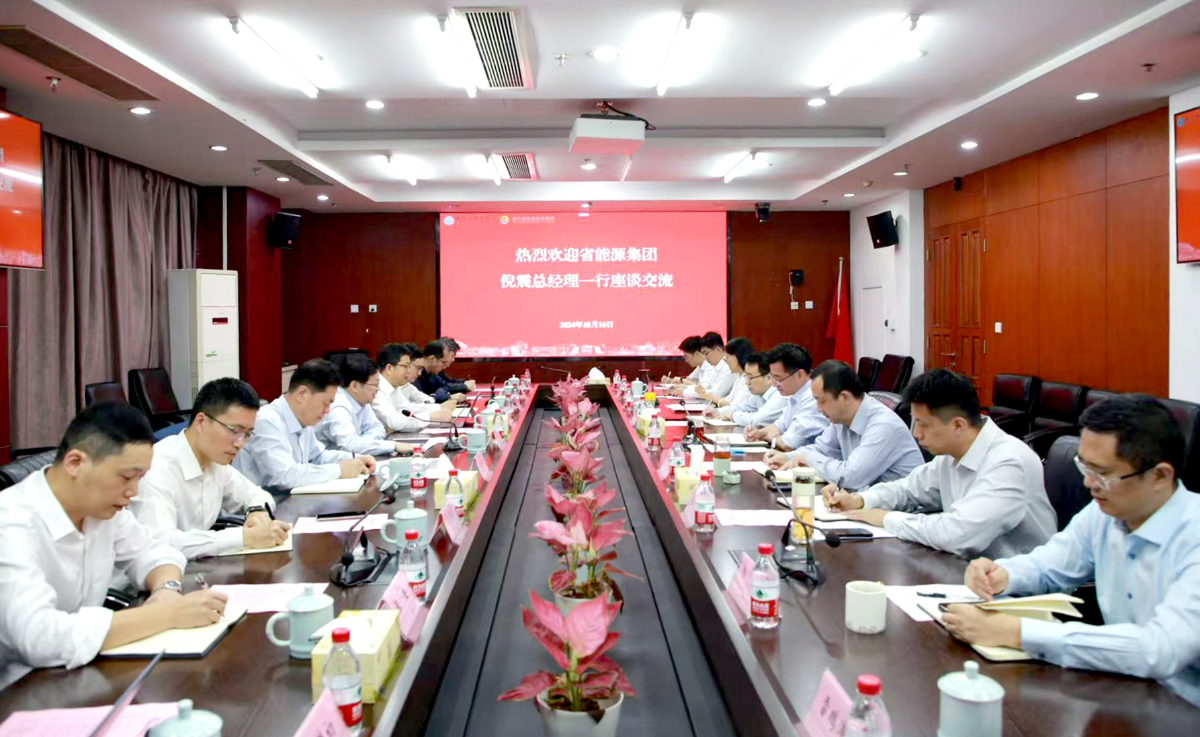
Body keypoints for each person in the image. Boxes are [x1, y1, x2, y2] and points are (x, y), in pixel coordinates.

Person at [943, 395, 1200, 706]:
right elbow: (1048, 566)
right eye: (1084, 465)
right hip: (1125, 689)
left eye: (1102, 473)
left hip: (1184, 706)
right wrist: (1002, 574)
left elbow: (1160, 649)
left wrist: (1017, 632)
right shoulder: (1104, 514)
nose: (1089, 483)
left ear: (1160, 476)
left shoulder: (1193, 535)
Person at [0, 403, 229, 689]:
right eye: (125, 477)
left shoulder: (102, 509)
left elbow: (156, 551)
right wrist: (165, 615)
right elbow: (39, 637)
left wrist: (167, 590)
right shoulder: (11, 525)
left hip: (81, 676)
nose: (133, 492)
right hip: (19, 691)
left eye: (140, 479)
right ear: (75, 463)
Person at [824, 369, 1055, 558]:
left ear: (958, 425)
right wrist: (860, 500)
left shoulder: (1008, 463)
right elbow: (908, 489)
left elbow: (957, 533)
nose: (916, 434)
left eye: (923, 424)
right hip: (968, 572)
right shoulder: (951, 453)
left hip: (1018, 591)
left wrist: (885, 518)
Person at [132, 378, 291, 559]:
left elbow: (256, 495)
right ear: (201, 422)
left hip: (197, 567)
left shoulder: (215, 461)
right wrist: (244, 538)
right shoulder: (156, 469)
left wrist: (256, 512)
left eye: (247, 434)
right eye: (234, 430)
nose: (240, 443)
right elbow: (161, 543)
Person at [768, 360, 924, 488]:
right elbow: (822, 449)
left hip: (901, 510)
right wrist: (787, 457)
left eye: (821, 401)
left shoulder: (883, 425)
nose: (818, 408)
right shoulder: (840, 418)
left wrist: (808, 458)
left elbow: (849, 477)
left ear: (844, 397)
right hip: (865, 501)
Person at [233, 359, 375, 490]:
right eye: (325, 403)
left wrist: (354, 459)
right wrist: (339, 470)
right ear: (302, 394)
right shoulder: (267, 421)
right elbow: (284, 476)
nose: (327, 411)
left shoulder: (303, 421)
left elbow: (318, 457)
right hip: (261, 506)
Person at [316, 353, 413, 457]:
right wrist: (393, 446)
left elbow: (378, 428)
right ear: (354, 386)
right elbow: (349, 445)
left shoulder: (361, 400)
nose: (378, 389)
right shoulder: (337, 406)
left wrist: (362, 443)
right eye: (375, 384)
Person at [743, 343, 828, 451]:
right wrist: (759, 433)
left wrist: (772, 437)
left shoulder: (813, 398)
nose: (774, 384)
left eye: (778, 379)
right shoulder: (795, 394)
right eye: (772, 377)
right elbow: (778, 426)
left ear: (800, 374)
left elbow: (789, 444)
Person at [372, 343, 456, 433]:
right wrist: (430, 417)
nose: (408, 371)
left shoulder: (395, 387)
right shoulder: (375, 388)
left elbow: (407, 408)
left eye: (409, 367)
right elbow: (394, 421)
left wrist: (437, 409)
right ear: (389, 368)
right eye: (405, 366)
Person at [710, 352, 788, 428]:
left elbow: (756, 420)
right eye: (746, 377)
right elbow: (739, 407)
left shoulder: (780, 395)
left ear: (769, 378)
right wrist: (717, 412)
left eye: (750, 377)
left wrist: (732, 415)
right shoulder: (758, 394)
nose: (747, 382)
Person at [674, 332, 735, 399]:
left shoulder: (729, 366)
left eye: (706, 353)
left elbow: (717, 393)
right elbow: (707, 385)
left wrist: (685, 391)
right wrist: (686, 388)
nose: (705, 357)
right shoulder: (715, 366)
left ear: (718, 350)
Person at [697, 337, 753, 407]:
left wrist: (711, 397)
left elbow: (734, 406)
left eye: (727, 357)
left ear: (737, 357)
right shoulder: (740, 376)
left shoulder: (749, 379)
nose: (725, 360)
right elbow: (729, 399)